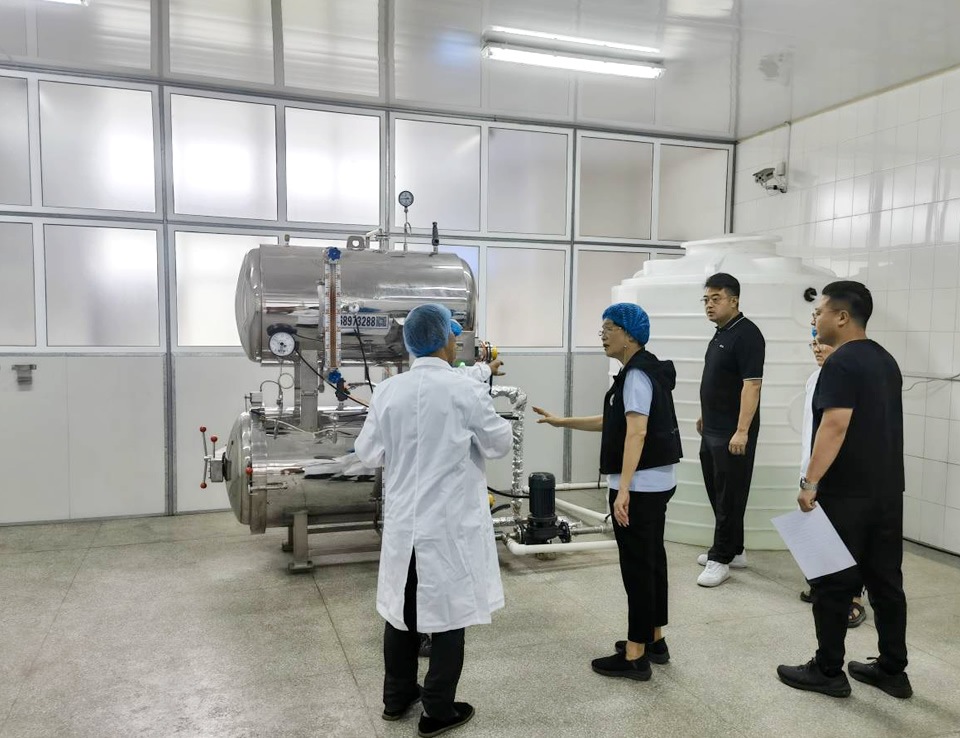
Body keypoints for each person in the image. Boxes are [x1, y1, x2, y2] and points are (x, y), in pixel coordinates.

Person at [355, 304, 513, 735]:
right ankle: (438, 710)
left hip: (404, 524)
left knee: (401, 611)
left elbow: (367, 452)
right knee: (449, 616)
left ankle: (396, 698)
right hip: (448, 526)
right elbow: (499, 443)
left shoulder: (389, 392)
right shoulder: (465, 391)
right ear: (446, 340)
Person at [533, 303, 682, 682]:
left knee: (638, 568)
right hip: (658, 481)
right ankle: (654, 640)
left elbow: (637, 432)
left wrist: (624, 488)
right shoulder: (646, 370)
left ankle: (635, 655)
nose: (602, 335)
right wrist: (561, 421)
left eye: (609, 328)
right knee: (653, 562)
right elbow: (615, 421)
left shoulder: (636, 375)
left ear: (629, 335)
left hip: (640, 486)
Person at [777, 281, 911, 699]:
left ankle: (828, 670)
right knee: (885, 582)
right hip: (886, 492)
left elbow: (835, 425)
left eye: (818, 312)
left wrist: (810, 481)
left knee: (831, 583)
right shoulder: (885, 360)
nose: (814, 319)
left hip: (845, 494)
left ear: (842, 316)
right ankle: (893, 670)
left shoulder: (840, 364)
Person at [696, 273, 765, 587]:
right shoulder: (720, 333)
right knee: (717, 490)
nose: (709, 305)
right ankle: (734, 549)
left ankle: (720, 558)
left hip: (731, 431)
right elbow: (718, 380)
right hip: (712, 427)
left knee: (729, 496)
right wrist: (704, 415)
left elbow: (752, 386)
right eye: (706, 300)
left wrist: (742, 430)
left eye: (716, 299)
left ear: (734, 300)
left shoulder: (747, 335)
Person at [796, 332, 866, 628]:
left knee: (847, 536)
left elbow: (839, 428)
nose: (817, 349)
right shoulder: (815, 378)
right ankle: (823, 586)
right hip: (812, 465)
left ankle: (853, 598)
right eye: (813, 344)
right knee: (817, 529)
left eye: (822, 343)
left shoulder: (851, 377)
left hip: (844, 473)